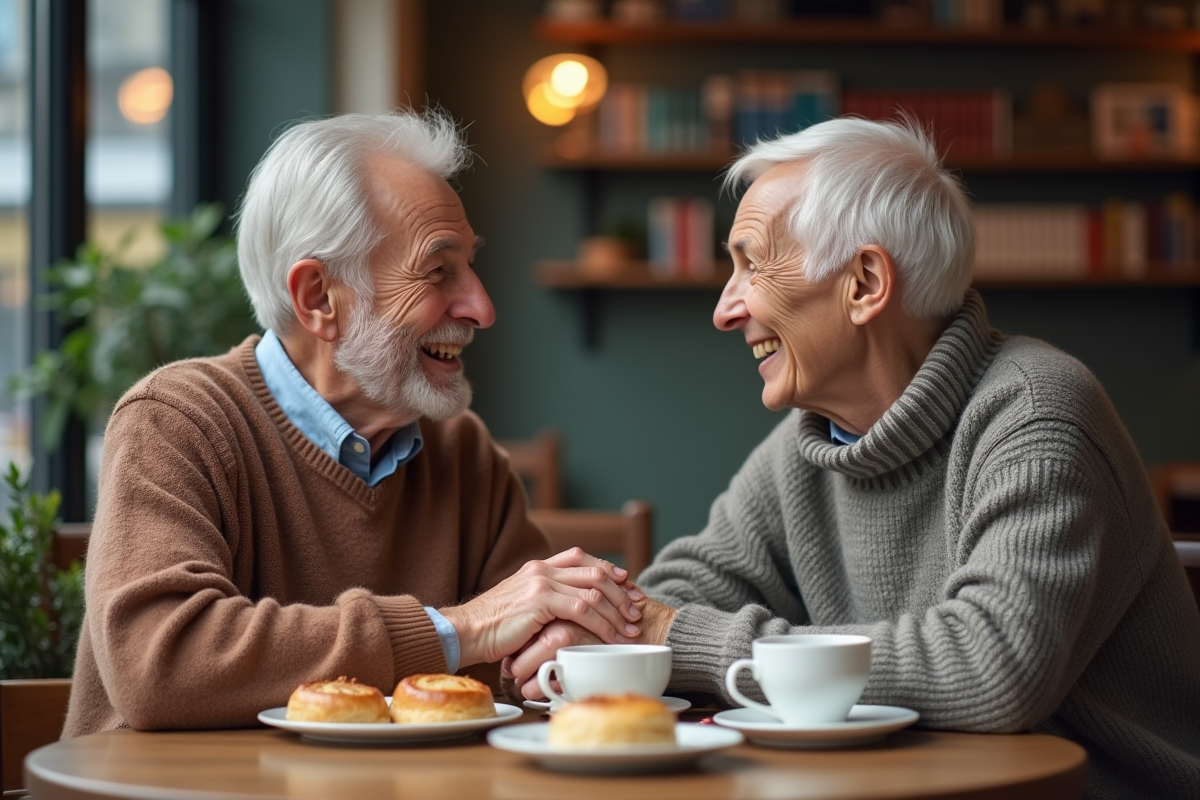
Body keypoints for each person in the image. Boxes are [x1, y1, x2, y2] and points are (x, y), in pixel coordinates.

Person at [506, 117, 1200, 799]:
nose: (725, 308)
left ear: (865, 283)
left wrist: (672, 637)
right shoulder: (808, 447)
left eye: (752, 263)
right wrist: (605, 632)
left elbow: (990, 668)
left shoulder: (1037, 412)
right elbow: (684, 590)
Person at [62, 109, 645, 738]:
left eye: (470, 266)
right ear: (318, 297)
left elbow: (531, 646)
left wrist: (559, 641)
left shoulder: (461, 451)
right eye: (437, 270)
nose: (482, 306)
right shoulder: (176, 422)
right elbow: (161, 664)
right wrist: (460, 629)